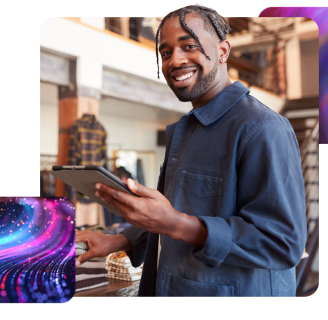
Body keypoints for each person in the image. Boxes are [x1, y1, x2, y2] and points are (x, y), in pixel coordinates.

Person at [76, 3, 307, 297]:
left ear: (223, 51)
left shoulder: (263, 128)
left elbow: (282, 243)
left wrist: (175, 223)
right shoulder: (187, 129)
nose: (175, 60)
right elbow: (180, 211)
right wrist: (120, 239)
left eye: (189, 46)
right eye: (166, 52)